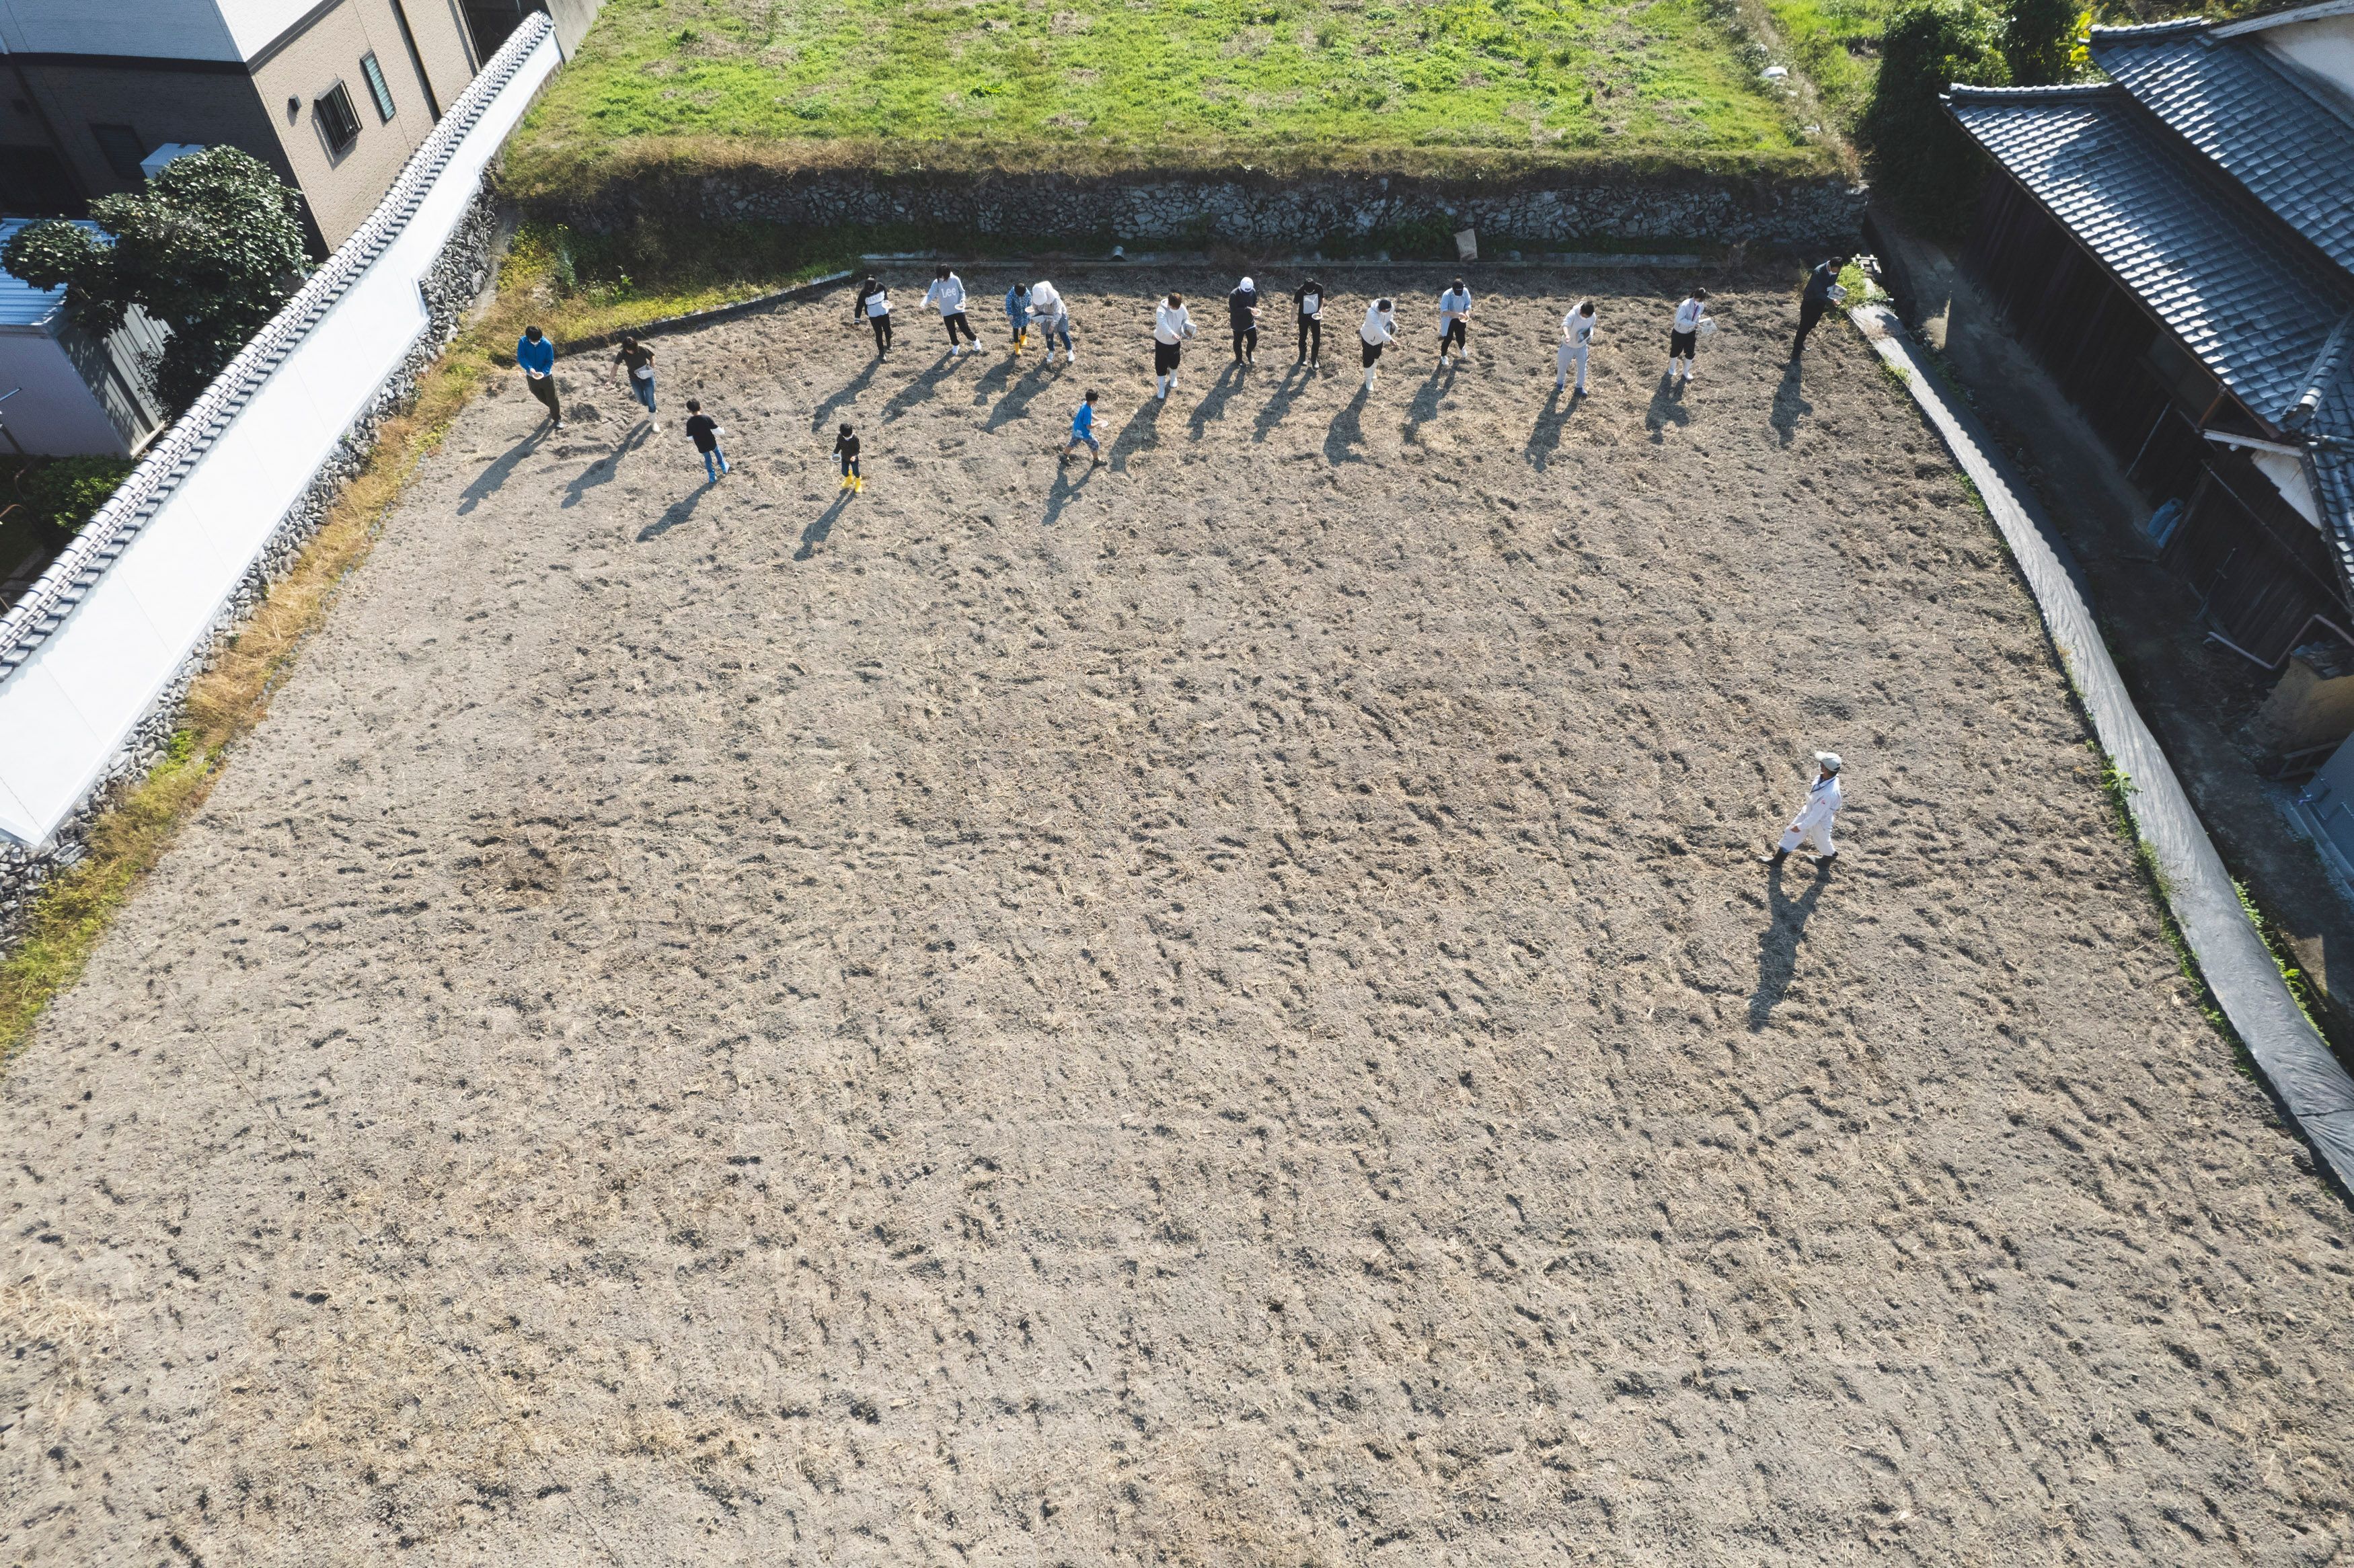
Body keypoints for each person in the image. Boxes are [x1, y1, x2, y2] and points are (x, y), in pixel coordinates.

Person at [1762, 752, 1842, 865]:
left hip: (1820, 821)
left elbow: (1815, 817)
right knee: (1791, 833)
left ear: (1825, 769)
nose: (1819, 765)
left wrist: (1800, 827)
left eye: (1822, 764)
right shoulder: (1824, 778)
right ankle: (1777, 861)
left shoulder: (1829, 794)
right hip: (1809, 811)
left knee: (1823, 842)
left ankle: (1826, 860)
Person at [1792, 256, 1844, 359]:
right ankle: (1796, 349)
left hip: (1821, 302)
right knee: (1804, 325)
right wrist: (1831, 301)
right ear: (1831, 266)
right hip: (1810, 301)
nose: (1837, 272)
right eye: (1836, 270)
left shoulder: (1835, 271)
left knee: (1812, 324)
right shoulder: (1819, 272)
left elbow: (1831, 286)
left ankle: (1800, 342)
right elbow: (1817, 292)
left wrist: (1836, 294)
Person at [516, 325, 562, 430]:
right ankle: (553, 408)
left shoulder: (547, 344)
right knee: (536, 393)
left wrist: (543, 373)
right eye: (534, 341)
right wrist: (530, 368)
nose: (536, 342)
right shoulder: (523, 342)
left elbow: (549, 361)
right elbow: (521, 357)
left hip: (546, 376)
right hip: (531, 375)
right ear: (528, 338)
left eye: (538, 340)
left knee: (552, 397)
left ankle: (557, 419)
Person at [925, 266, 979, 356]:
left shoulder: (955, 279)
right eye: (940, 276)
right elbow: (930, 295)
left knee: (964, 328)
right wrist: (923, 303)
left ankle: (975, 340)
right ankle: (955, 345)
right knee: (951, 330)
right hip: (946, 311)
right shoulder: (936, 282)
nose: (941, 278)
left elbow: (962, 292)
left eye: (943, 276)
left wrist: (963, 301)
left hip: (959, 309)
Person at [1152, 292, 1197, 400]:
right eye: (1174, 308)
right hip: (1162, 342)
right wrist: (1172, 334)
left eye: (1178, 308)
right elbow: (1163, 324)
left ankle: (1173, 378)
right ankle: (1161, 388)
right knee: (1161, 364)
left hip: (1175, 342)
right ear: (1170, 304)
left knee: (1175, 361)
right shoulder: (1161, 310)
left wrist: (1186, 327)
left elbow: (1185, 318)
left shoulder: (1181, 307)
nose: (1176, 309)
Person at [612, 334, 657, 430]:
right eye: (629, 350)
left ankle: (653, 422)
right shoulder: (622, 353)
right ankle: (651, 399)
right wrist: (610, 380)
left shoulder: (642, 349)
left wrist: (651, 367)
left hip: (647, 377)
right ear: (625, 348)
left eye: (633, 349)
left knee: (650, 402)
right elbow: (615, 367)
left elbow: (652, 357)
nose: (632, 352)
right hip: (634, 379)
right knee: (642, 401)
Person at [1669, 287, 1711, 385]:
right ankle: (1672, 368)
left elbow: (1698, 315)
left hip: (1691, 332)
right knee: (1676, 350)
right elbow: (1679, 319)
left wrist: (1700, 324)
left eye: (1702, 300)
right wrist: (1693, 324)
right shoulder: (1685, 305)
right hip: (1679, 332)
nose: (1700, 301)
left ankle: (1686, 372)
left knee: (1690, 352)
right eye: (1699, 299)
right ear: (1695, 296)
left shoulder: (1701, 305)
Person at [1029, 278, 1074, 365]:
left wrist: (1053, 325)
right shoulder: (1035, 298)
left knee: (1063, 333)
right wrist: (1036, 318)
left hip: (1059, 316)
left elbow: (1058, 313)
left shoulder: (1055, 298)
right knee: (1048, 335)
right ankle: (1051, 351)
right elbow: (1036, 309)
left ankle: (1070, 351)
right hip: (1046, 316)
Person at [684, 398, 728, 483]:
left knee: (708, 459)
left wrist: (697, 436)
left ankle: (712, 476)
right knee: (717, 451)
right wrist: (723, 431)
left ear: (689, 410)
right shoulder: (706, 418)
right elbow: (716, 429)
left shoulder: (690, 422)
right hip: (711, 442)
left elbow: (689, 437)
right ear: (700, 407)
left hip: (701, 445)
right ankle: (724, 467)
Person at [1556, 300, 1595, 396]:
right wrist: (1567, 335)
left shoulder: (1592, 316)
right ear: (1581, 311)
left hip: (1581, 346)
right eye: (1585, 316)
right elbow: (1565, 325)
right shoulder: (1573, 314)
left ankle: (1579, 387)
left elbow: (1591, 327)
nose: (1586, 318)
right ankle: (1560, 384)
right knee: (1562, 365)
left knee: (1582, 367)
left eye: (1588, 317)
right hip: (1568, 345)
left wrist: (1589, 336)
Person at [1359, 298, 1396, 391]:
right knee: (1368, 359)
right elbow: (1378, 329)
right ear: (1381, 309)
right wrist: (1390, 339)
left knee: (1377, 356)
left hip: (1379, 339)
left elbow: (1390, 317)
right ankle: (1368, 380)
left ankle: (1372, 372)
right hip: (1369, 338)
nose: (1388, 312)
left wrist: (1390, 324)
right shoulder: (1371, 314)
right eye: (1386, 311)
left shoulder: (1391, 308)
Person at [1436, 277, 1472, 366]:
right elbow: (1444, 312)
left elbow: (1467, 304)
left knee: (1461, 337)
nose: (1459, 294)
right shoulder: (1446, 295)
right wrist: (1458, 314)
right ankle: (1443, 356)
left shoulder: (1465, 292)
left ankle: (1462, 348)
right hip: (1449, 320)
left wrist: (1466, 313)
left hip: (1461, 319)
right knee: (1448, 339)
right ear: (1453, 289)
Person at [854, 274, 893, 356]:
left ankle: (889, 342)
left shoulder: (881, 286)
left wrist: (886, 301)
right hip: (873, 316)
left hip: (884, 312)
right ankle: (881, 351)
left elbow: (885, 294)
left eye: (873, 290)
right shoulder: (863, 294)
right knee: (878, 333)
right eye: (869, 290)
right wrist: (857, 321)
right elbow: (859, 307)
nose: (871, 292)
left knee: (887, 329)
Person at [1063, 390, 1100, 465]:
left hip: (1077, 429)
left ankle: (1064, 457)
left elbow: (1090, 414)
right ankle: (1096, 461)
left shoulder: (1085, 404)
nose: (1098, 400)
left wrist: (1097, 419)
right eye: (1097, 399)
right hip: (1084, 433)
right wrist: (1098, 423)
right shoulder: (1087, 411)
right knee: (1095, 444)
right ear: (1093, 401)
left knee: (1073, 443)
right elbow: (1089, 426)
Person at [1228, 276, 1260, 366]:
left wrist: (1254, 309)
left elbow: (1254, 302)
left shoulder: (1253, 291)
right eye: (1246, 292)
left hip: (1250, 321)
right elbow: (1234, 310)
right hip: (1238, 323)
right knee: (1238, 342)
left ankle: (1249, 353)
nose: (1248, 293)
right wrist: (1248, 309)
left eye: (1249, 291)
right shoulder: (1234, 295)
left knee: (1253, 341)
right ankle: (1239, 359)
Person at [1295, 275, 1325, 366]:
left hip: (1315, 317)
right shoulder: (1300, 291)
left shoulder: (1319, 288)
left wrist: (1320, 310)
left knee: (1316, 339)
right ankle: (1302, 357)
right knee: (1303, 337)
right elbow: (1294, 306)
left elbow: (1322, 299)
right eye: (1307, 292)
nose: (1309, 293)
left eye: (1311, 292)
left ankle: (1314, 359)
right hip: (1303, 318)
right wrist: (1292, 321)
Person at [1005, 280, 1032, 355]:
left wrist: (1030, 312)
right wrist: (1010, 314)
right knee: (1015, 330)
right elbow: (1008, 304)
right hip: (1015, 314)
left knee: (1024, 326)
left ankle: (1023, 337)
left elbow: (1029, 303)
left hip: (1025, 313)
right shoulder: (1011, 294)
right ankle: (1016, 346)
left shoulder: (1027, 293)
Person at [835, 422, 862, 494]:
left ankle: (858, 482)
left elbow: (857, 449)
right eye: (846, 437)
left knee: (856, 471)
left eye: (849, 436)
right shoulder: (840, 437)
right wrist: (835, 453)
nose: (848, 438)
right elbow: (839, 445)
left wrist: (854, 456)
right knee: (844, 471)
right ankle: (849, 479)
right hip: (844, 457)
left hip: (853, 459)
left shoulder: (855, 439)